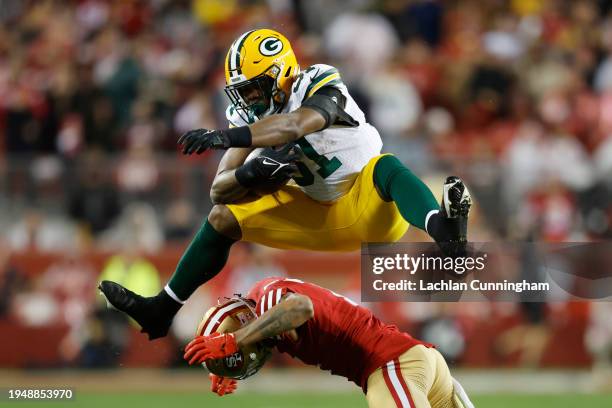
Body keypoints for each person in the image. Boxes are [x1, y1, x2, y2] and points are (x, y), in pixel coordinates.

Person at [99, 28, 472, 340]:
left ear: (282, 73)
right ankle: (162, 309)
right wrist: (253, 174)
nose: (248, 100)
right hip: (316, 214)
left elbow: (295, 125)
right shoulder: (249, 116)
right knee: (222, 217)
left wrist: (229, 138)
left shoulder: (318, 82)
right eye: (241, 92)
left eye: (254, 89)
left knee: (386, 166)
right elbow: (219, 190)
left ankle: (443, 230)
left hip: (371, 209)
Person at [184, 277, 474, 408]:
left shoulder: (268, 299)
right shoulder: (261, 300)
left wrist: (235, 340)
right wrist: (220, 366)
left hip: (392, 368)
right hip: (416, 362)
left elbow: (300, 308)